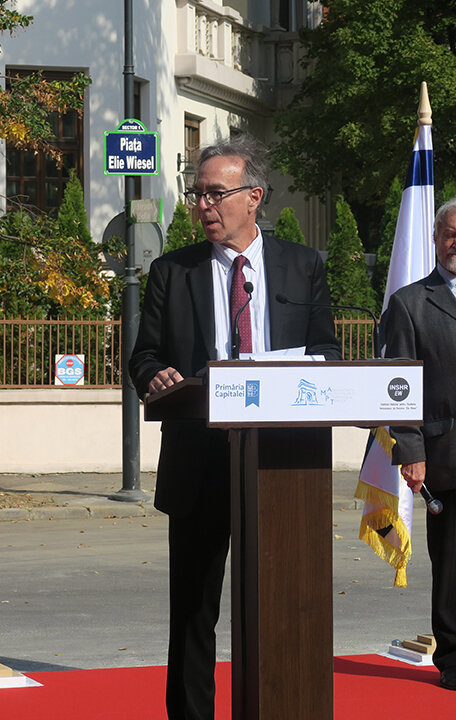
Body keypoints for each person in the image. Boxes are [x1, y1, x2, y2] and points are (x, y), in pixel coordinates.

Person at [128, 137, 340, 720]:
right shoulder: (174, 272)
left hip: (283, 465)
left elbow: (325, 350)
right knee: (196, 610)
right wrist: (158, 375)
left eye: (215, 193)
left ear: (255, 197)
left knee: (284, 604)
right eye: (197, 194)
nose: (203, 206)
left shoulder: (303, 265)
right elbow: (142, 356)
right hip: (200, 464)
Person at [384, 197, 456, 691]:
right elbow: (399, 388)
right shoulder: (411, 302)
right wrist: (411, 452)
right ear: (434, 237)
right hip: (445, 453)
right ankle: (453, 658)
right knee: (452, 565)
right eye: (451, 233)